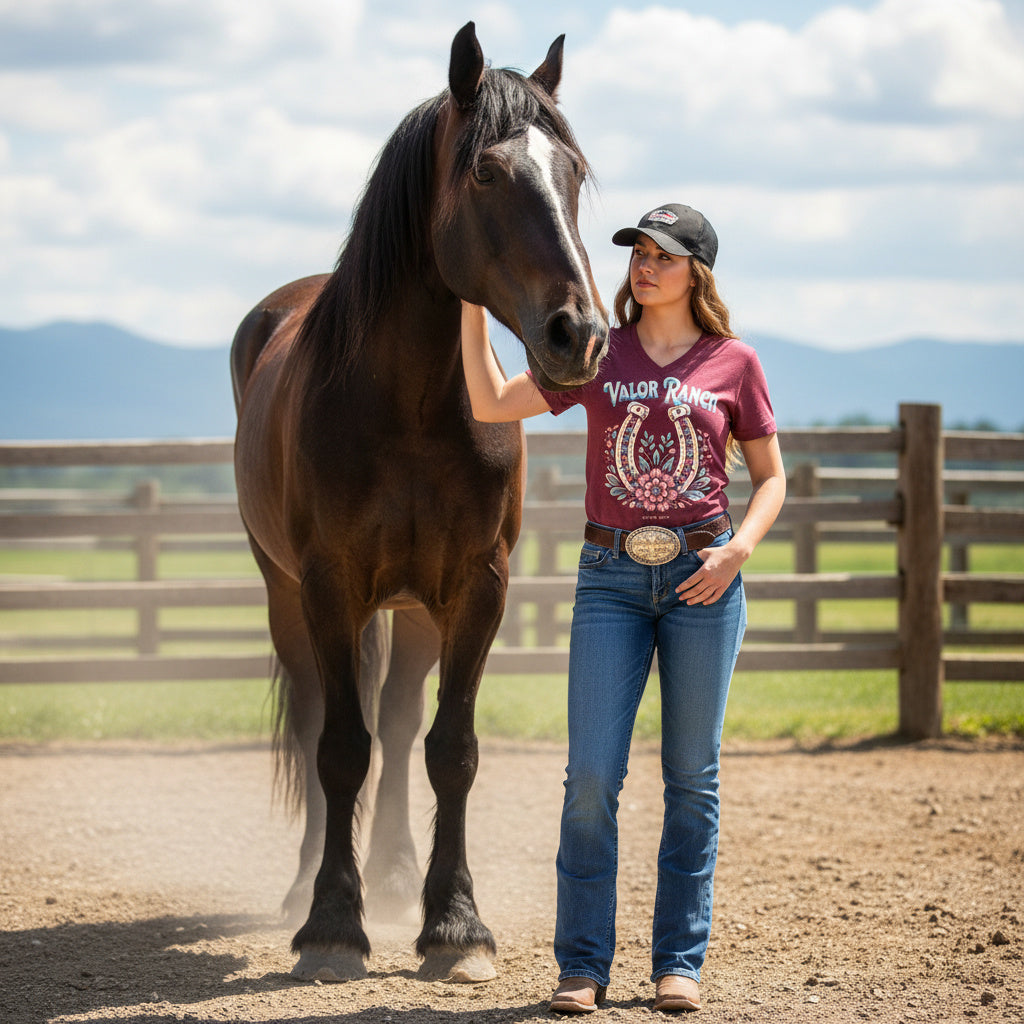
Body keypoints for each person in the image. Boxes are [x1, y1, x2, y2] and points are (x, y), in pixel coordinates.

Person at [459, 203, 785, 1014]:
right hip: (609, 578)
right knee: (592, 780)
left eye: (663, 256)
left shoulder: (735, 362)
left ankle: (678, 964)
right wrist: (470, 301)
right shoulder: (598, 354)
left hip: (703, 580)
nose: (645, 266)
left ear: (696, 273)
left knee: (692, 780)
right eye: (638, 253)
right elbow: (493, 402)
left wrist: (739, 548)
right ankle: (582, 967)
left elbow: (772, 477)